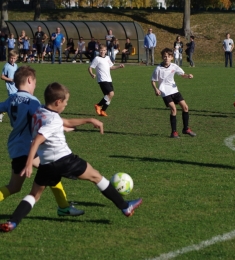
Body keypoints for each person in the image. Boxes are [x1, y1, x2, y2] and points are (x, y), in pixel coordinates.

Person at [0, 81, 142, 232]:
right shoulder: (53, 120)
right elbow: (37, 139)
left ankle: (12, 222)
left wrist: (89, 120)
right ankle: (125, 207)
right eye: (65, 102)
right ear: (58, 102)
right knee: (96, 176)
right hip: (65, 160)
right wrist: (29, 163)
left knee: (34, 195)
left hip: (47, 164)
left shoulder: (40, 111)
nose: (66, 105)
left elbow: (65, 121)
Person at [0, 66, 84, 228]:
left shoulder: (11, 99)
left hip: (15, 147)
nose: (35, 86)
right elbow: (45, 118)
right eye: (35, 83)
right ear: (30, 80)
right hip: (30, 147)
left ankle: (64, 207)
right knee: (52, 169)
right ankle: (64, 207)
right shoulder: (33, 102)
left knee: (15, 186)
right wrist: (63, 126)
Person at [151, 48, 196, 138]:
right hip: (165, 92)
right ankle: (174, 132)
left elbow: (182, 74)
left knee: (185, 107)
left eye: (168, 56)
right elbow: (153, 80)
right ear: (162, 57)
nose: (166, 58)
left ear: (171, 57)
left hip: (174, 90)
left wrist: (188, 76)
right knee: (173, 109)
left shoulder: (174, 66)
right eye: (164, 56)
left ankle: (186, 129)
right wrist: (156, 89)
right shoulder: (158, 69)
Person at [88, 44, 125, 117]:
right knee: (111, 94)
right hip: (102, 80)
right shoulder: (97, 58)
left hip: (109, 79)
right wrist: (92, 74)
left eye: (104, 50)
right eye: (101, 50)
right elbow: (90, 67)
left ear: (106, 51)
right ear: (99, 51)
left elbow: (111, 67)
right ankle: (98, 105)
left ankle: (103, 111)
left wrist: (119, 66)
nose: (102, 51)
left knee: (109, 96)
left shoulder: (107, 58)